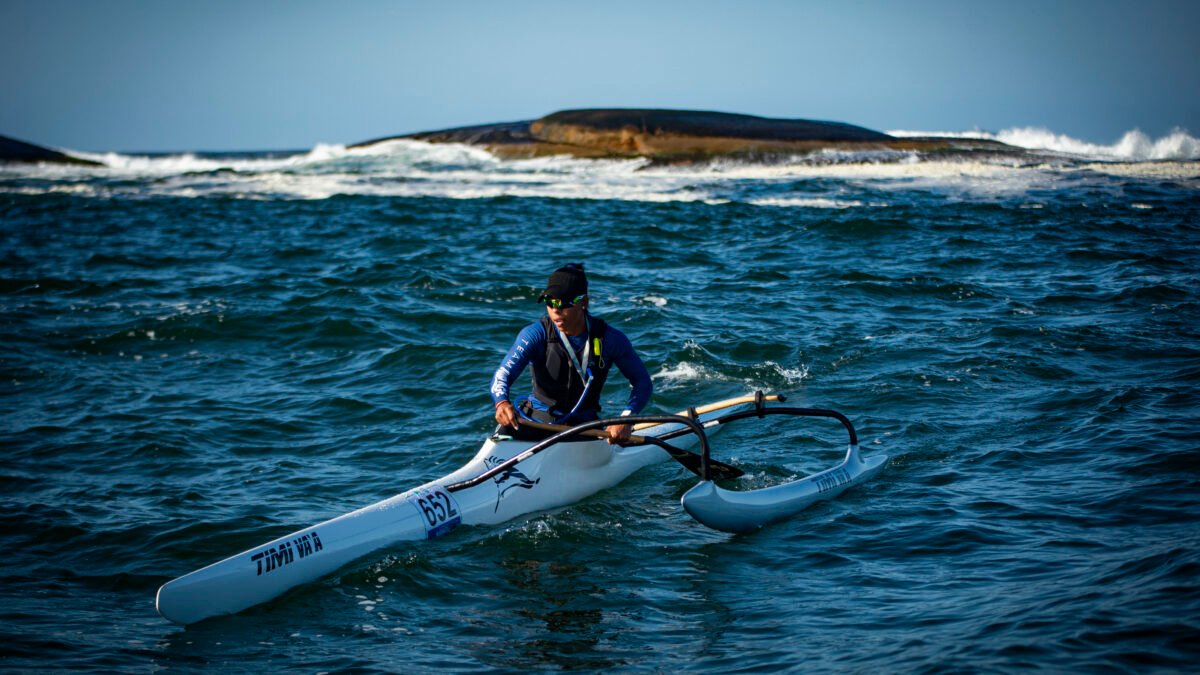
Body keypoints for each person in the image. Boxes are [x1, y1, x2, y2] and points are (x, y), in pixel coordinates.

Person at [491, 263, 652, 444]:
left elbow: (642, 381)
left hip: (583, 429)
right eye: (550, 302)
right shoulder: (535, 334)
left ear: (583, 302)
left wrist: (626, 419)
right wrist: (502, 402)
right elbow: (503, 374)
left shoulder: (610, 339)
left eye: (562, 303)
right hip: (536, 423)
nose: (555, 310)